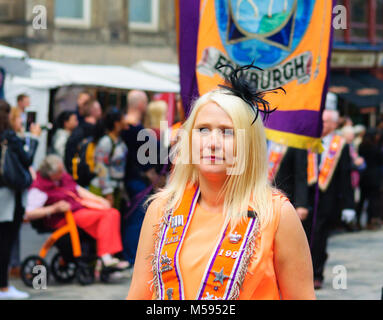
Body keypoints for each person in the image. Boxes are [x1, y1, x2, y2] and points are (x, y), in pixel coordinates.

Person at [127, 64, 315, 300]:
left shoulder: (277, 214)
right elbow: (139, 295)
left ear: (249, 144)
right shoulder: (161, 209)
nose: (212, 142)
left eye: (227, 132)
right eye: (203, 129)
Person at [25, 155, 129, 270]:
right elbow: (29, 213)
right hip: (64, 218)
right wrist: (54, 208)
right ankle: (105, 256)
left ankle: (106, 256)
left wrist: (100, 200)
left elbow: (79, 190)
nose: (62, 173)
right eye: (59, 172)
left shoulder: (63, 178)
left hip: (78, 210)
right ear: (50, 173)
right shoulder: (39, 187)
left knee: (112, 213)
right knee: (107, 215)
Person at [304, 109, 355, 290]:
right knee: (304, 234)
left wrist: (349, 205)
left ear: (334, 124)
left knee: (319, 235)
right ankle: (302, 272)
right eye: (321, 121)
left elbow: (345, 176)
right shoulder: (307, 141)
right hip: (306, 196)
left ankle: (316, 274)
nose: (322, 124)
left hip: (328, 197)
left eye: (326, 122)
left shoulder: (340, 144)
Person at [121, 91, 166, 266]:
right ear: (141, 105)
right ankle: (132, 257)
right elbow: (152, 157)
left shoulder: (125, 125)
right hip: (137, 180)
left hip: (129, 179)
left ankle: (130, 256)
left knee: (135, 218)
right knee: (137, 219)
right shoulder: (135, 128)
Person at [0, 100, 39, 299]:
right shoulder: (9, 137)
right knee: (6, 241)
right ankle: (3, 287)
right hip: (8, 197)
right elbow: (28, 159)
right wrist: (34, 138)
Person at [90, 107, 128, 209]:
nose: (126, 120)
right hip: (104, 190)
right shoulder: (106, 142)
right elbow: (101, 167)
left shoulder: (119, 140)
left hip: (116, 188)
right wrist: (108, 192)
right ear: (117, 123)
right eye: (123, 119)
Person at [267, 142, 309, 221]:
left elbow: (300, 175)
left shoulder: (295, 140)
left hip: (282, 199)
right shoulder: (262, 136)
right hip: (257, 197)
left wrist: (301, 204)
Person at [64, 98, 103, 177]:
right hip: (89, 176)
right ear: (93, 111)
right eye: (99, 109)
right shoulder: (98, 131)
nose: (101, 111)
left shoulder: (77, 130)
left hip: (79, 175)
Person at [357, 129, 383, 230]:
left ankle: (358, 220)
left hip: (364, 176)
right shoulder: (375, 147)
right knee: (373, 200)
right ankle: (370, 221)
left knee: (362, 199)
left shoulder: (361, 146)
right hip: (374, 176)